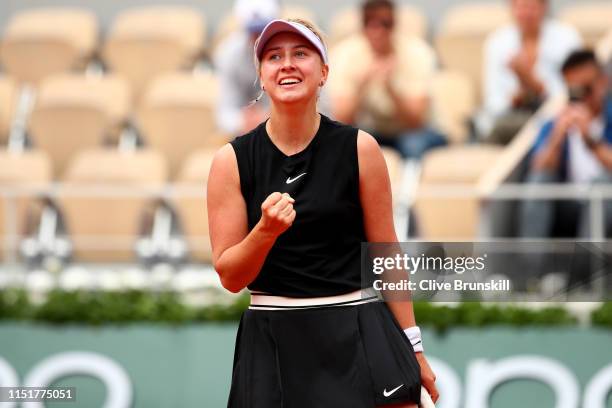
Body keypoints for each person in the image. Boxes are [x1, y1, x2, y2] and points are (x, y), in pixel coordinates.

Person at [207, 18, 438, 407]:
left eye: (301, 53)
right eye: (274, 56)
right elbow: (230, 276)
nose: (287, 64)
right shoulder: (231, 161)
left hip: (359, 330)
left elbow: (385, 251)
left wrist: (413, 347)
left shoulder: (361, 149)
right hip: (272, 341)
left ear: (324, 72)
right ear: (261, 77)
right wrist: (265, 231)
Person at [327, 0, 445, 160]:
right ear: (362, 26)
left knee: (413, 144)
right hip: (370, 129)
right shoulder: (345, 54)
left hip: (412, 132)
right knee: (340, 140)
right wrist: (362, 85)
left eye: (385, 24)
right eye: (370, 23)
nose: (377, 31)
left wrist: (390, 88)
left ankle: (409, 184)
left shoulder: (417, 53)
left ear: (394, 25)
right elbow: (342, 119)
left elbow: (415, 122)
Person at [519, 49, 612, 239]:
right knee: (540, 182)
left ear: (603, 82)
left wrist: (590, 140)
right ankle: (530, 267)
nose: (582, 98)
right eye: (574, 91)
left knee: (602, 185)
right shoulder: (555, 123)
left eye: (586, 89)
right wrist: (557, 137)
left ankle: (587, 267)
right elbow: (538, 169)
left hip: (605, 206)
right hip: (569, 206)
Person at [482, 0, 581, 144]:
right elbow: (493, 102)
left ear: (544, 7)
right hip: (510, 119)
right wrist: (515, 99)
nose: (526, 14)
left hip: (555, 118)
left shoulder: (567, 38)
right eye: (521, 7)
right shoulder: (497, 42)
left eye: (531, 7)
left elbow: (575, 93)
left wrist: (536, 86)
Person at [213, 0, 279, 136]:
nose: (258, 38)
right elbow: (223, 113)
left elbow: (318, 110)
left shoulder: (293, 53)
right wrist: (242, 121)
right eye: (253, 31)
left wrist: (268, 119)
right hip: (244, 136)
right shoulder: (228, 54)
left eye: (264, 30)